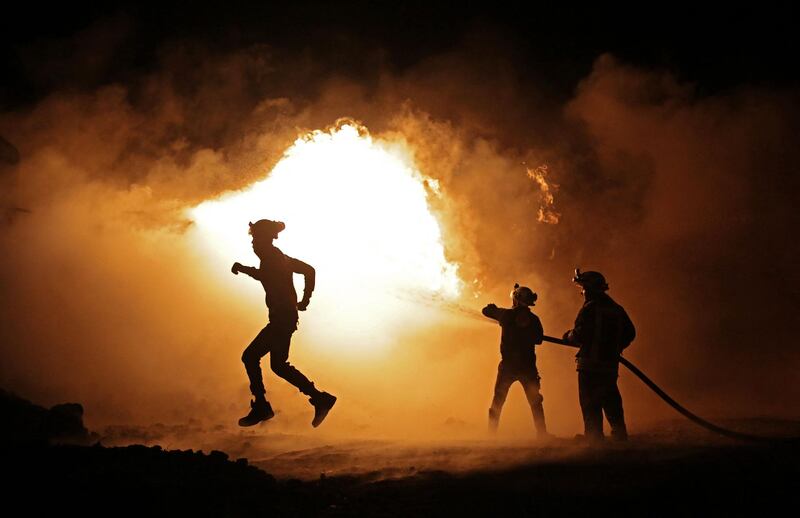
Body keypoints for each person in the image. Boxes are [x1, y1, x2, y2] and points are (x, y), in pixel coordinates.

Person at [232, 219, 336, 427]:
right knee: (278, 366)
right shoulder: (279, 257)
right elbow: (308, 270)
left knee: (250, 357)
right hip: (284, 318)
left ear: (265, 238)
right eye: (252, 238)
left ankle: (262, 406)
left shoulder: (272, 257)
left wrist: (243, 269)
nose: (253, 243)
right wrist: (305, 300)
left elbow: (268, 275)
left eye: (256, 238)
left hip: (282, 319)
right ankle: (320, 398)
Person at [563, 269, 635, 441]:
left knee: (589, 401)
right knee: (610, 397)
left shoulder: (590, 309)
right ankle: (619, 433)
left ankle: (594, 437)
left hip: (589, 364)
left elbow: (580, 334)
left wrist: (568, 336)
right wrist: (615, 348)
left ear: (591, 289)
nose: (582, 292)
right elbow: (630, 332)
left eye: (583, 288)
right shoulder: (617, 309)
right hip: (609, 364)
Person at [482, 284, 550, 438]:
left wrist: (492, 308)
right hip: (528, 367)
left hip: (508, 367)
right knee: (535, 402)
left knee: (498, 400)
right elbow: (539, 339)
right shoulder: (534, 319)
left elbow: (485, 311)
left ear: (516, 300)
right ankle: (542, 434)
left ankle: (491, 435)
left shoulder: (506, 315)